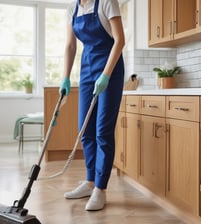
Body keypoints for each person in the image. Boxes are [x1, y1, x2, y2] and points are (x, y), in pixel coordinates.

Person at [59, 0, 125, 211]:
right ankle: (89, 182)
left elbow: (119, 40)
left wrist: (106, 74)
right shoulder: (73, 8)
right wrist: (65, 78)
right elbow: (70, 45)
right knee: (85, 129)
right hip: (87, 71)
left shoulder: (107, 3)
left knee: (102, 132)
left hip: (110, 71)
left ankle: (100, 188)